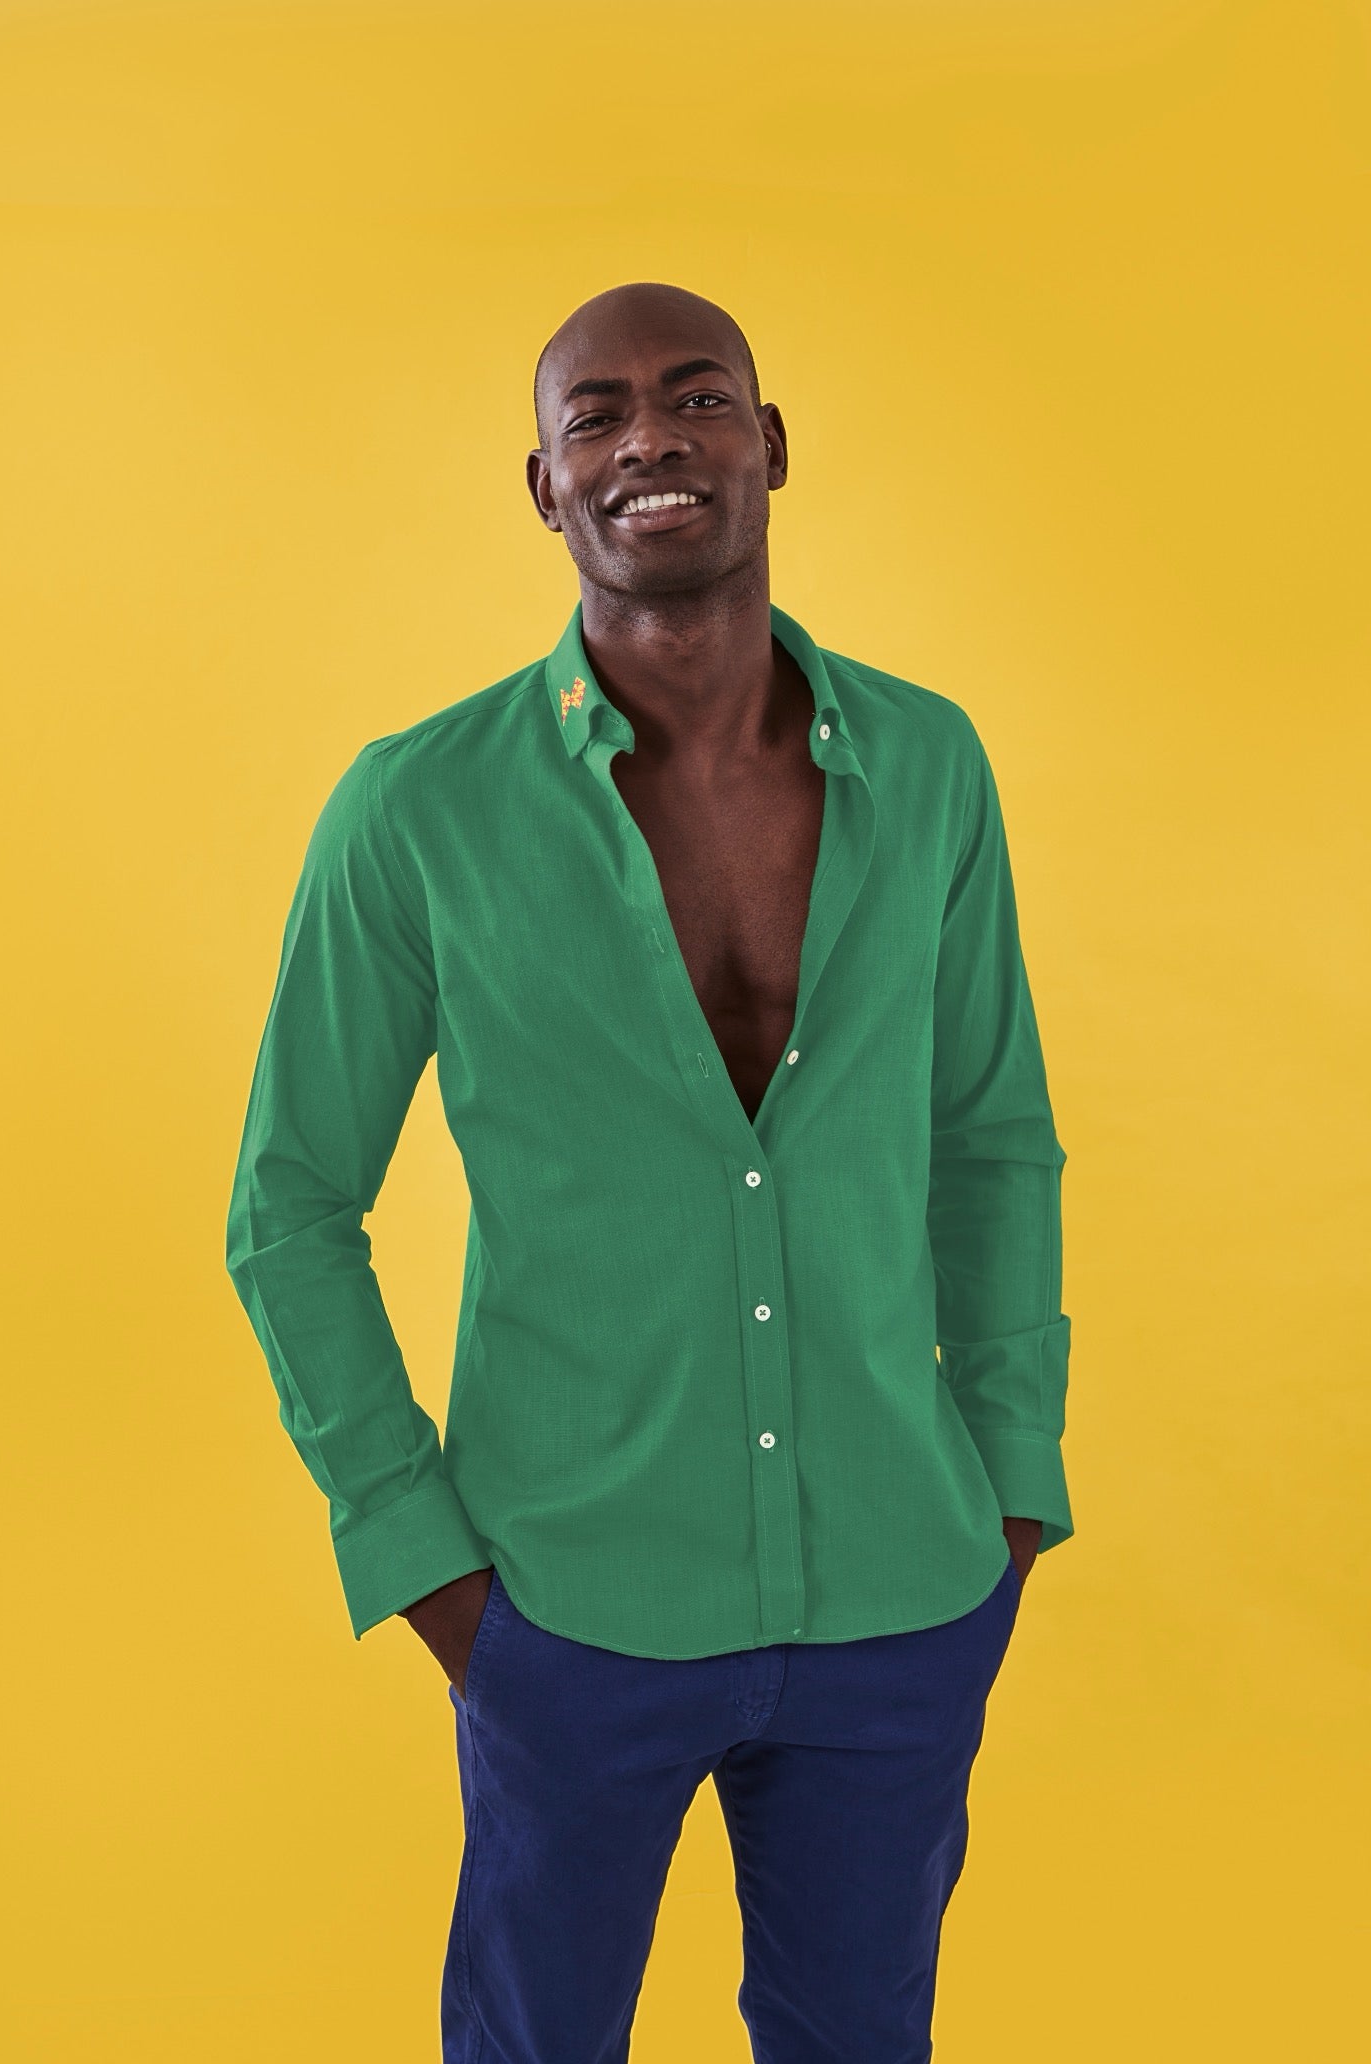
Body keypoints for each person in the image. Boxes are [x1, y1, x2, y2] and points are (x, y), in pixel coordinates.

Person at [225, 278, 1075, 2063]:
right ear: (543, 486)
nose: (649, 443)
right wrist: (424, 1561)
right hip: (566, 1605)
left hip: (903, 1591)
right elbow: (290, 1206)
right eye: (595, 417)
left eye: (695, 398)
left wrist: (1008, 1492)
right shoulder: (418, 809)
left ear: (771, 444)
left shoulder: (930, 763)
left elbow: (991, 1138)